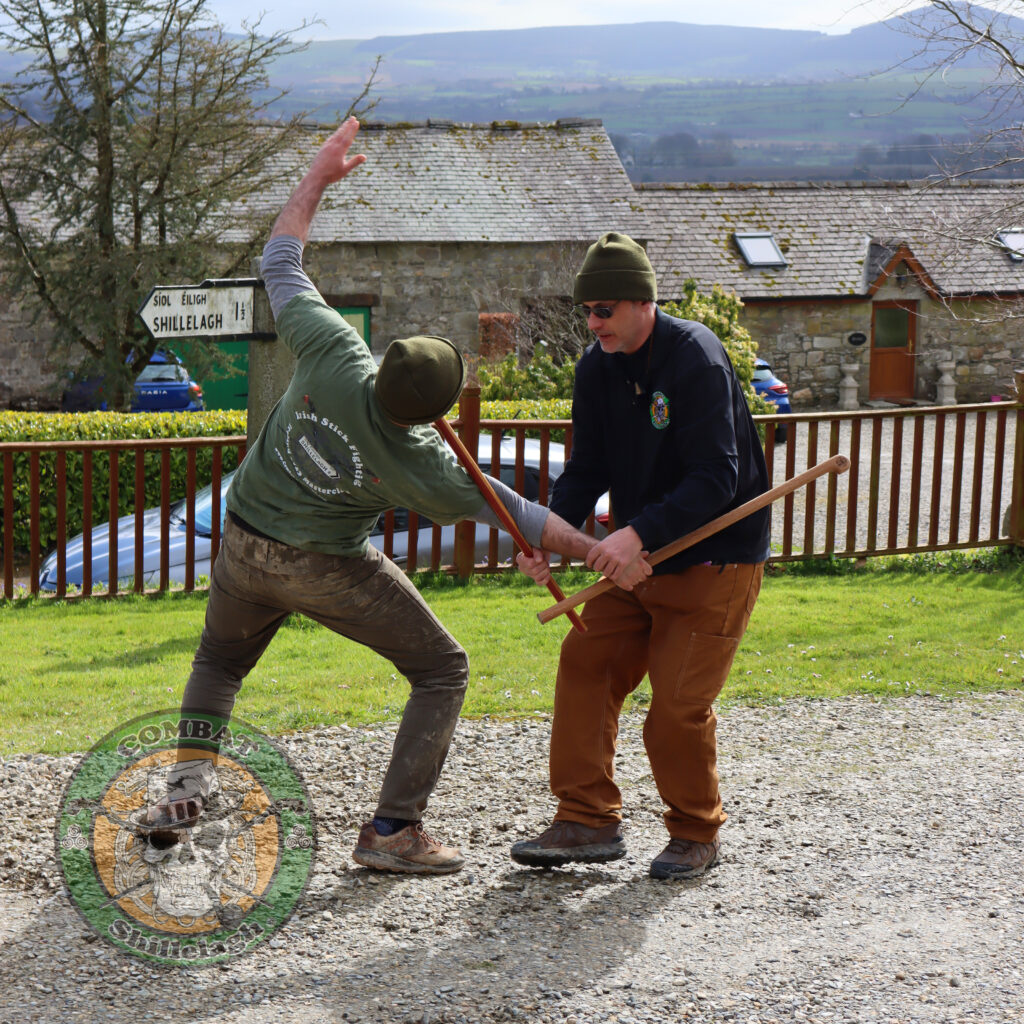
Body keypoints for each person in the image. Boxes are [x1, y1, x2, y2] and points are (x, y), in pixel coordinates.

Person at [148, 118, 616, 876]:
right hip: (325, 565)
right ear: (432, 413)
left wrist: (318, 179)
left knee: (219, 665)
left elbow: (280, 256)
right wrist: (594, 549)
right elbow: (520, 514)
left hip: (243, 539)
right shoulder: (424, 463)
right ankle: (394, 831)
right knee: (442, 670)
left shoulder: (335, 349)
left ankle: (182, 796)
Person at [510, 232, 770, 880]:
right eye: (588, 312)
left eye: (604, 310)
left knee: (675, 705)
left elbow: (716, 478)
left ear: (642, 302)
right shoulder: (597, 368)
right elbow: (588, 465)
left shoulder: (696, 359)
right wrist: (551, 532)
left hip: (715, 560)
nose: (593, 323)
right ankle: (586, 818)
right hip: (635, 563)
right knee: (586, 662)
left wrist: (636, 533)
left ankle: (696, 831)